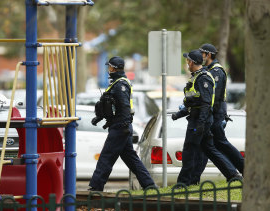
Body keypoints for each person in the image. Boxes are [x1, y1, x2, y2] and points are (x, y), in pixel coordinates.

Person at [172, 50, 241, 186]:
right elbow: (194, 102)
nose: (187, 63)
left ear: (192, 62)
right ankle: (233, 175)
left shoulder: (204, 78)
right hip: (197, 119)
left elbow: (205, 103)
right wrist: (179, 114)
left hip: (199, 120)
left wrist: (201, 124)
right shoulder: (196, 77)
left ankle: (184, 182)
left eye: (188, 61)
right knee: (210, 149)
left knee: (189, 150)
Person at [88, 56, 155, 191]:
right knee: (131, 159)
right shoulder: (117, 83)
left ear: (114, 68)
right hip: (120, 126)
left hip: (120, 127)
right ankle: (149, 185)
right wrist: (99, 118)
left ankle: (96, 187)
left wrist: (123, 125)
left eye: (109, 67)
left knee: (106, 157)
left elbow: (124, 107)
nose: (108, 69)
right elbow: (112, 105)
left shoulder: (120, 85)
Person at [195, 43, 244, 176]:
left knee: (220, 143)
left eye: (202, 54)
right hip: (214, 113)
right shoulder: (209, 69)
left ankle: (242, 170)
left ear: (209, 54)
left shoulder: (216, 71)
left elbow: (214, 96)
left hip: (216, 113)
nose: (201, 56)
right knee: (208, 146)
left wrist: (208, 114)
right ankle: (195, 177)